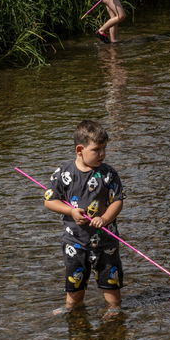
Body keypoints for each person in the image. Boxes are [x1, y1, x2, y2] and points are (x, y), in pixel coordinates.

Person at [43, 120, 125, 317]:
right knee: (74, 280)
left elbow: (118, 201)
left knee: (110, 281)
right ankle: (72, 308)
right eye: (97, 150)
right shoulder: (63, 173)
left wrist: (105, 218)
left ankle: (114, 309)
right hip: (75, 241)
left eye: (104, 149)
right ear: (80, 149)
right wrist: (70, 212)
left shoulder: (108, 173)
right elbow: (49, 201)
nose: (102, 154)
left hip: (106, 242)